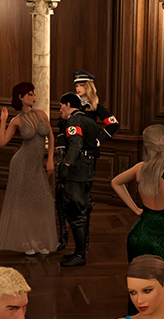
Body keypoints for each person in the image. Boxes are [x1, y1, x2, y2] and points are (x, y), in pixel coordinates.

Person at [111, 125, 164, 319]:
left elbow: (115, 182)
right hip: (162, 238)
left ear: (146, 145)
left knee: (139, 281)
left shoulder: (140, 168)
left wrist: (136, 209)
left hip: (139, 233)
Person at [0, 82, 56, 255]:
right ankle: (25, 241)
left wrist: (50, 159)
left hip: (36, 166)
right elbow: (2, 142)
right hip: (21, 165)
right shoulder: (16, 120)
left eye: (34, 94)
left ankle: (36, 239)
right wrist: (3, 121)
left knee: (43, 202)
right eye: (29, 94)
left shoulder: (42, 114)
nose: (33, 97)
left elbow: (51, 137)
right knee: (24, 203)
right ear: (20, 97)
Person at [57, 93, 101, 268]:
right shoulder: (90, 121)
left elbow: (75, 144)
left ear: (68, 104)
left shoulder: (74, 121)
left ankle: (80, 255)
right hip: (88, 171)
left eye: (61, 105)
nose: (60, 109)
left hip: (77, 172)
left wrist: (66, 165)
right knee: (81, 210)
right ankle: (78, 251)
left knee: (75, 213)